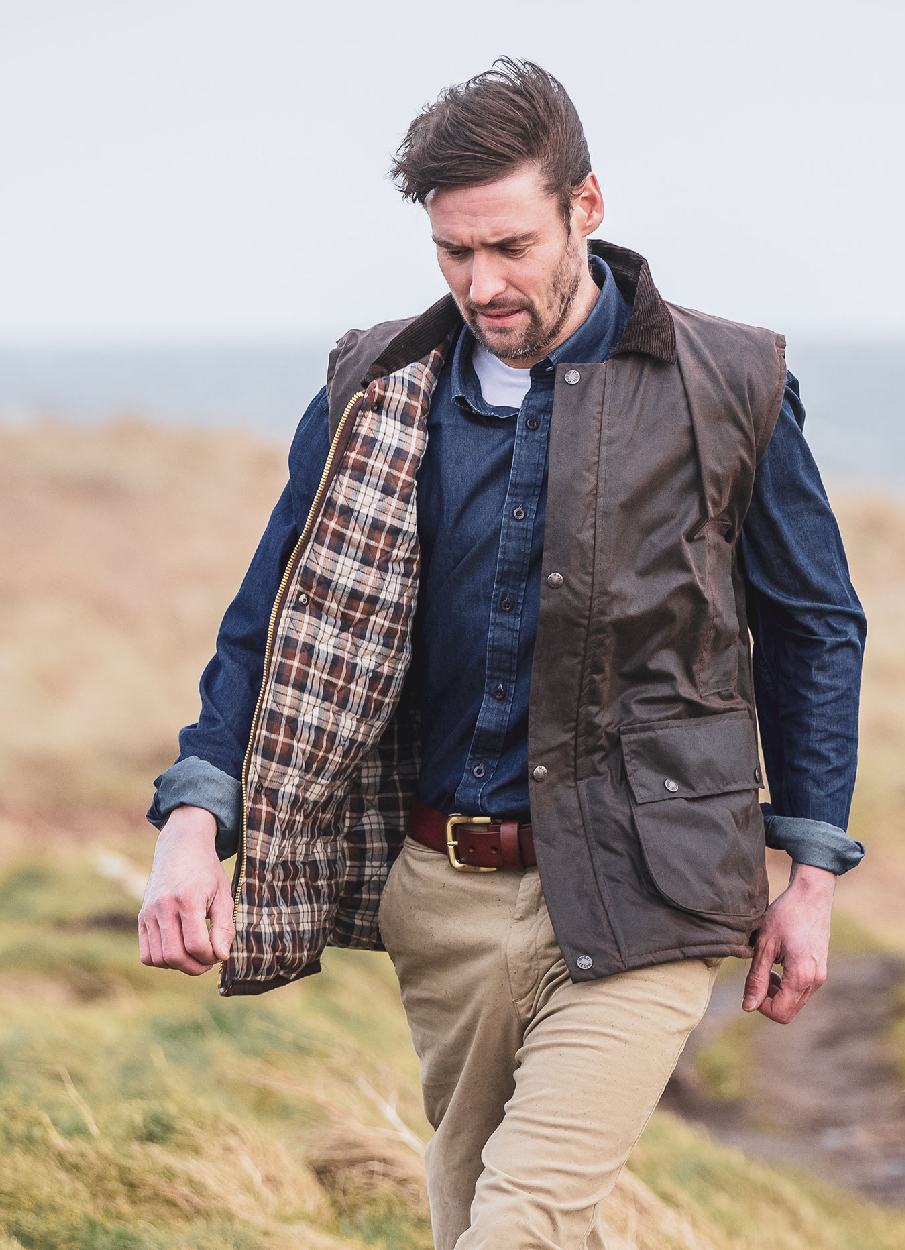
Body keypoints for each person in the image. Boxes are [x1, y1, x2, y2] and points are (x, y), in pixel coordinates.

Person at [140, 57, 867, 1250]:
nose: (483, 283)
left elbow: (813, 622)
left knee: (518, 1223)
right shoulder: (374, 382)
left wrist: (813, 871)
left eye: (511, 246)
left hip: (653, 878)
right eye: (453, 251)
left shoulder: (729, 382)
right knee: (480, 1211)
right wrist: (192, 816)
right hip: (443, 892)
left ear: (586, 205)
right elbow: (268, 616)